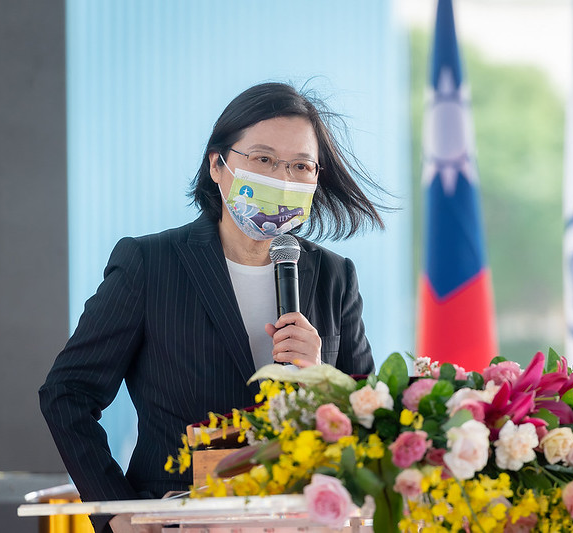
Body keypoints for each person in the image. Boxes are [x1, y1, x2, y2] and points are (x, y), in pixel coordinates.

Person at [39, 82, 383, 532]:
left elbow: (368, 416)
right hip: (180, 519)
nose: (282, 179)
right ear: (217, 165)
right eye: (263, 159)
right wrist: (117, 512)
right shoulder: (150, 264)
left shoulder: (335, 276)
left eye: (300, 165)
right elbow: (67, 393)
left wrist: (321, 375)